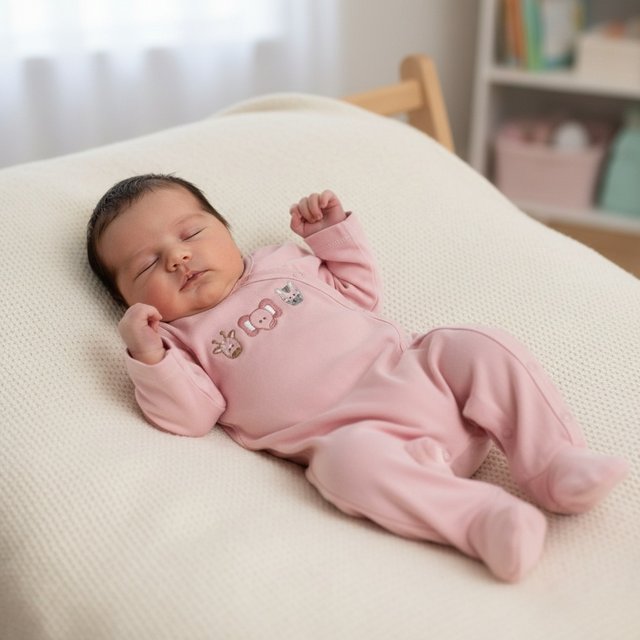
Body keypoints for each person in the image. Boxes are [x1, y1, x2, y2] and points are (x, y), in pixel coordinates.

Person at [87, 173, 628, 582]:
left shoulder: (279, 263)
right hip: (359, 441)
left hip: (419, 376)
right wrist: (147, 354)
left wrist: (330, 234)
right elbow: (192, 415)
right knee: (339, 469)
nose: (178, 257)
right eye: (146, 266)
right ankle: (481, 519)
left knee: (474, 343)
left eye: (191, 232)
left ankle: (551, 462)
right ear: (128, 301)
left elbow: (359, 291)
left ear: (226, 231)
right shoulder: (177, 342)